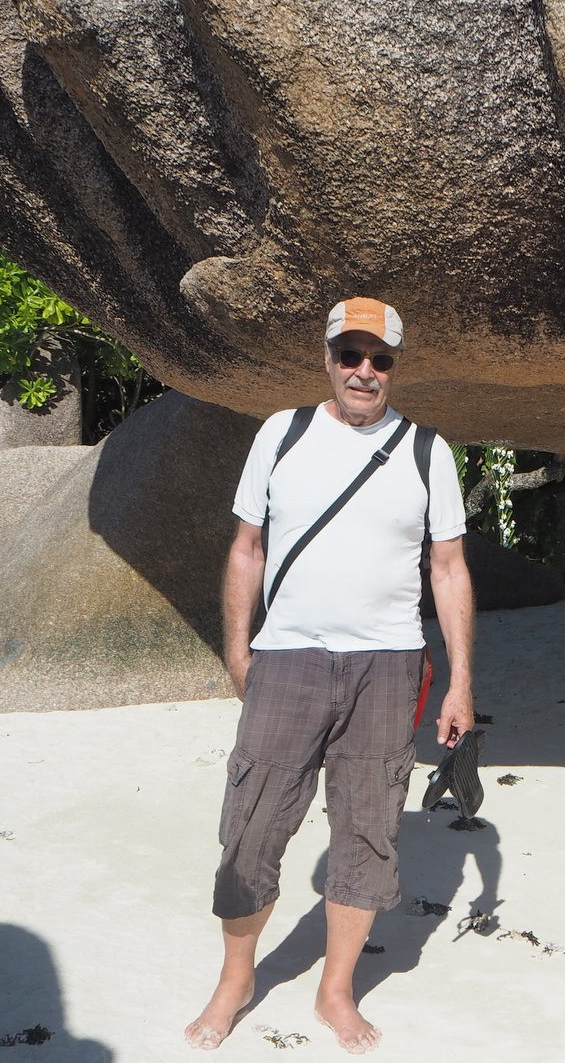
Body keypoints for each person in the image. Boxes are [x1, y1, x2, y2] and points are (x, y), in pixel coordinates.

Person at [185, 297, 474, 1054]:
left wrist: (461, 680)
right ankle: (235, 979)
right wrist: (237, 647)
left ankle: (335, 988)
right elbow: (246, 547)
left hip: (387, 663)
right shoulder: (281, 435)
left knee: (369, 831)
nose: (364, 371)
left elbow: (448, 569)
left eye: (379, 359)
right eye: (350, 354)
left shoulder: (426, 451)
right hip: (287, 658)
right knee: (250, 827)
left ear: (395, 367)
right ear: (327, 357)